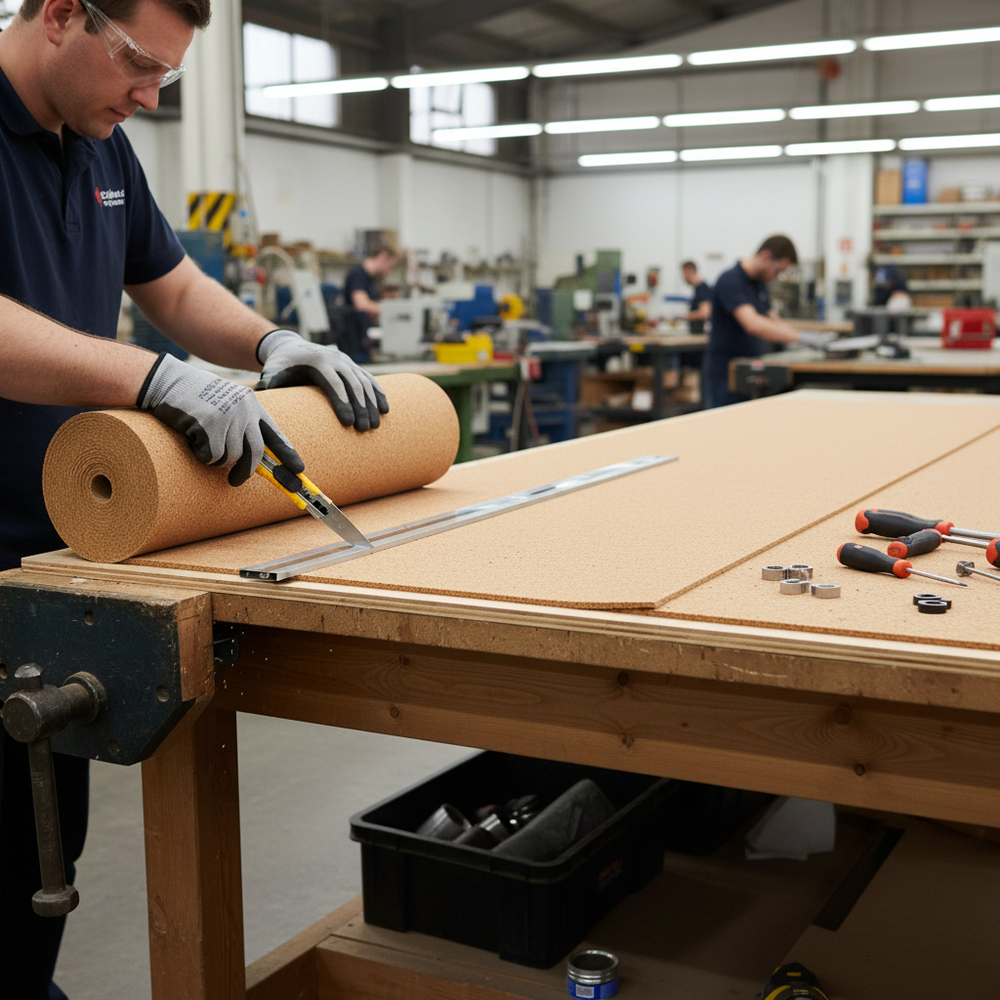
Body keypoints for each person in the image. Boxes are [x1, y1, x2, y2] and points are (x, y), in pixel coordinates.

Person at [0, 1, 387, 995]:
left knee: (45, 841)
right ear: (57, 15)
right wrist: (149, 379)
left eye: (165, 76)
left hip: (66, 553)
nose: (149, 95)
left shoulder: (102, 145)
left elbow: (169, 286)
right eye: (138, 64)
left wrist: (270, 346)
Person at [702, 235, 830, 409]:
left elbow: (773, 320)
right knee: (724, 429)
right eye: (777, 271)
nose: (777, 277)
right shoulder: (730, 280)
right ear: (765, 256)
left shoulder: (759, 284)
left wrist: (812, 338)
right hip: (726, 375)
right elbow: (752, 323)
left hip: (750, 371)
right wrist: (802, 337)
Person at [342, 245, 398, 363]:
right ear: (383, 256)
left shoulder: (371, 280)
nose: (390, 270)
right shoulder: (358, 275)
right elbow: (362, 305)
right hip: (354, 343)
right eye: (391, 265)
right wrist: (393, 310)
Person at [680, 260, 711, 333]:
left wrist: (686, 316)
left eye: (683, 274)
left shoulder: (703, 289)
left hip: (701, 334)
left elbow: (704, 313)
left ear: (688, 272)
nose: (683, 277)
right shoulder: (697, 289)